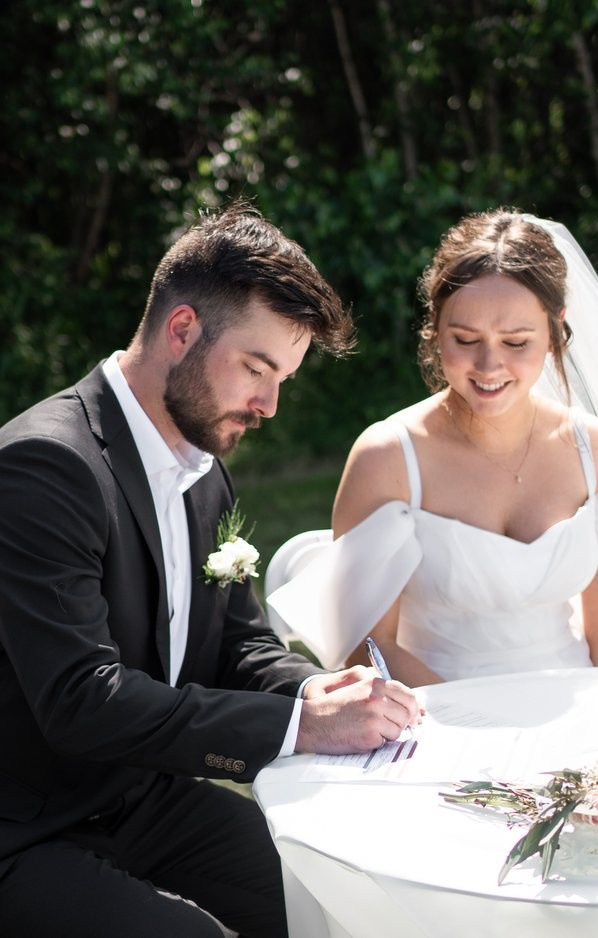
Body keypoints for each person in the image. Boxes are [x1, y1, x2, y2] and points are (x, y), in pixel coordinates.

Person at [0, 202, 420, 938]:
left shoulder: (203, 468)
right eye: (258, 369)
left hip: (143, 799)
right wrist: (302, 726)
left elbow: (238, 643)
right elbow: (82, 700)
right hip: (28, 827)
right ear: (183, 329)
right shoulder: (46, 467)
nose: (270, 406)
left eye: (283, 377)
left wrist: (318, 688)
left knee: (331, 896)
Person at [267, 208, 598, 680]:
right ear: (435, 330)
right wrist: (480, 739)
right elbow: (368, 650)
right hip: (436, 719)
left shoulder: (593, 450)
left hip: (574, 706)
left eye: (516, 342)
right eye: (465, 339)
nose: (489, 365)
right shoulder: (388, 459)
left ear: (556, 331)